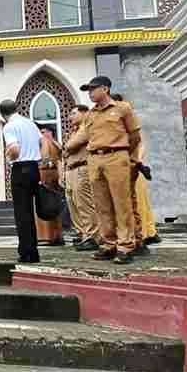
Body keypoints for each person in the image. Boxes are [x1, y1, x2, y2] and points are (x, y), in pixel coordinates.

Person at [80, 77, 142, 264]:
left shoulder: (123, 108)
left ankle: (125, 246)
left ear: (105, 88)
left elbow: (135, 136)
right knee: (102, 205)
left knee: (121, 204)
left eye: (93, 89)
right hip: (94, 158)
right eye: (88, 90)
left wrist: (125, 156)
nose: (90, 93)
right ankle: (109, 243)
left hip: (117, 156)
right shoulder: (90, 114)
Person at [111, 93, 158, 251]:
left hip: (132, 165)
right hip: (118, 166)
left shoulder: (130, 123)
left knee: (136, 202)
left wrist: (136, 160)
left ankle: (144, 233)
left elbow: (140, 143)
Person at [0, 99, 45, 264]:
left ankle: (27, 252)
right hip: (34, 168)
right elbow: (42, 142)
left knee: (22, 213)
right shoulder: (30, 123)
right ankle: (34, 251)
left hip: (20, 169)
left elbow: (15, 150)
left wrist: (8, 156)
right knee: (31, 212)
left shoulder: (9, 126)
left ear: (3, 114)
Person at [63, 104, 101, 251]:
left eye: (73, 113)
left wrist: (68, 147)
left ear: (84, 113)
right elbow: (66, 149)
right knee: (73, 204)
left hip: (82, 168)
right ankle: (83, 233)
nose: (70, 117)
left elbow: (71, 145)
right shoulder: (75, 130)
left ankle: (92, 236)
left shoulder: (87, 126)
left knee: (84, 204)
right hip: (71, 169)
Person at [36, 124, 64, 246]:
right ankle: (57, 235)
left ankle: (46, 236)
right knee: (54, 205)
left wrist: (42, 164)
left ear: (48, 132)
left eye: (43, 131)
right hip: (54, 175)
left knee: (44, 204)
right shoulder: (56, 143)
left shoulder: (46, 141)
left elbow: (46, 158)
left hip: (45, 174)